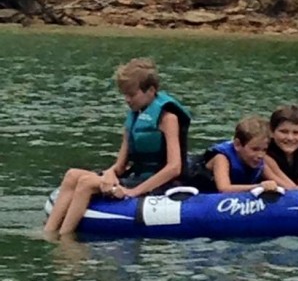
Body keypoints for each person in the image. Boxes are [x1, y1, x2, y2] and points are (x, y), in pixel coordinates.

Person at [44, 57, 191, 236]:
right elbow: (120, 166)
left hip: (160, 183)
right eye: (124, 95)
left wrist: (134, 192)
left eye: (132, 94)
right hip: (137, 177)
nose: (127, 100)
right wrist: (109, 174)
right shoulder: (134, 117)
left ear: (151, 91)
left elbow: (174, 168)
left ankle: (65, 238)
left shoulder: (168, 118)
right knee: (72, 175)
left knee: (86, 183)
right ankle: (48, 233)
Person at [188, 115, 279, 193]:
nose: (260, 155)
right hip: (196, 191)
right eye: (255, 149)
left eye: (264, 150)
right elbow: (224, 188)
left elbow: (285, 184)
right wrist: (258, 187)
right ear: (238, 145)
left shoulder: (259, 161)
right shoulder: (221, 158)